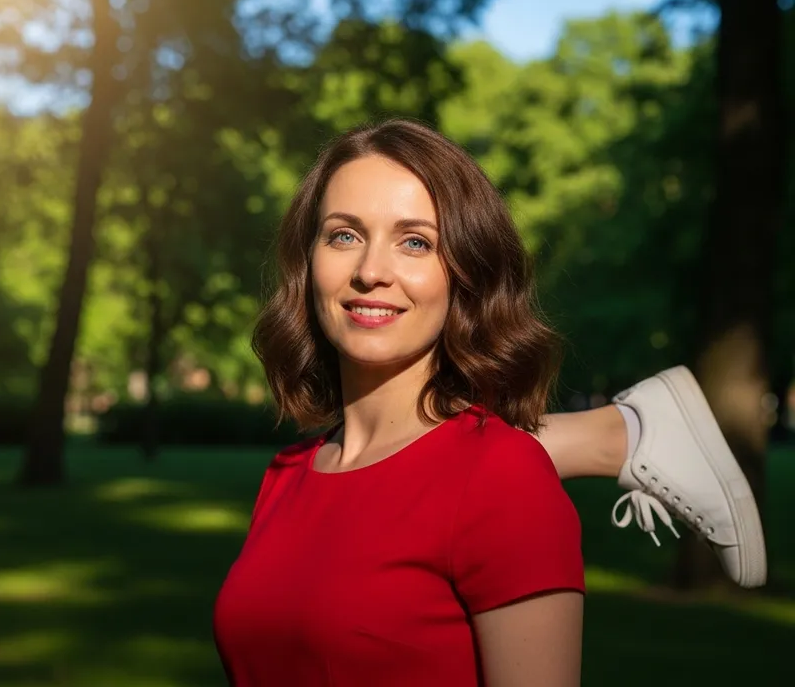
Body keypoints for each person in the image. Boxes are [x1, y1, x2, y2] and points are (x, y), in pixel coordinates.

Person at [213, 119, 766, 687]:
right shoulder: (285, 477)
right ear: (308, 261)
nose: (370, 271)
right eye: (344, 235)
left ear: (465, 275)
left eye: (415, 242)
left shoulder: (505, 478)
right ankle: (616, 432)